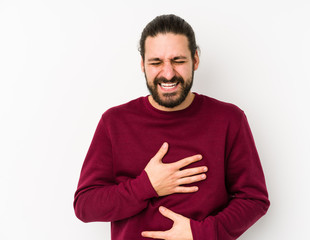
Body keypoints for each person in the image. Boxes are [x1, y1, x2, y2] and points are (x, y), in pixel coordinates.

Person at [74, 14, 270, 240]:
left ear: (195, 60)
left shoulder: (230, 119)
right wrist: (146, 186)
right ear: (142, 65)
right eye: (156, 62)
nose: (168, 73)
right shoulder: (114, 122)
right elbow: (85, 206)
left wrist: (201, 233)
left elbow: (254, 199)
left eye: (178, 61)